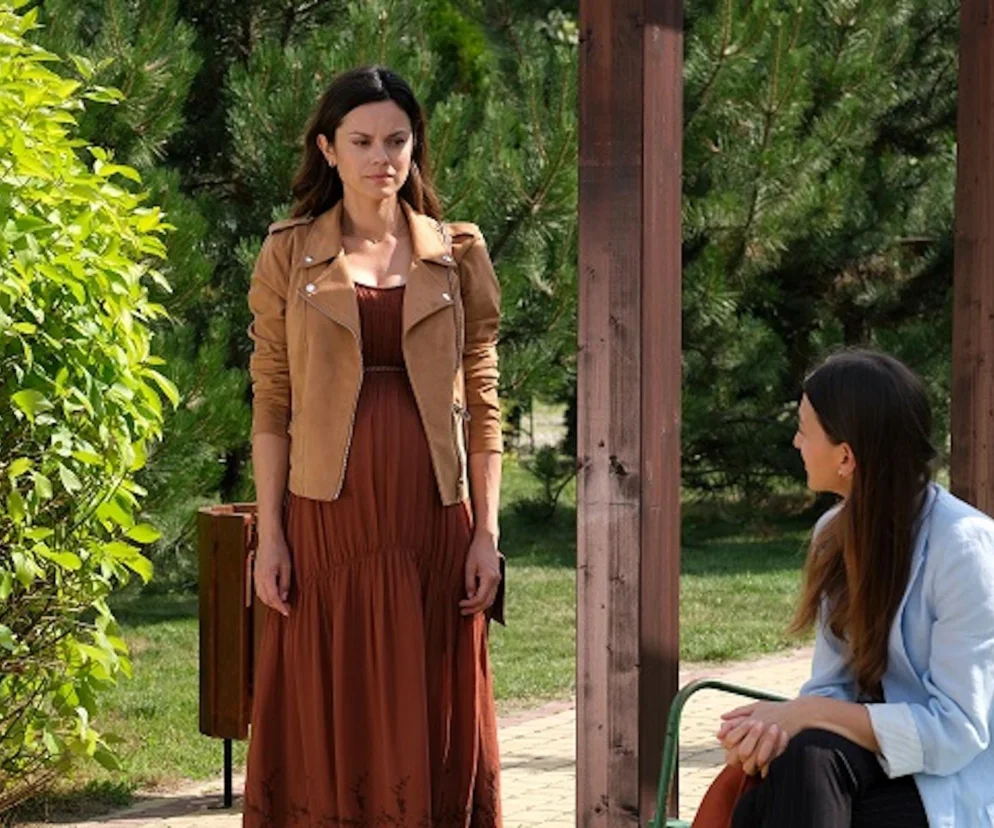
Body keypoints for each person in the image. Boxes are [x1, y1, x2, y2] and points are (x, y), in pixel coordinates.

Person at [242, 65, 504, 827]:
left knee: (430, 693)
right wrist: (271, 536)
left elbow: (483, 400)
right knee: (330, 694)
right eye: (360, 141)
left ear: (415, 146)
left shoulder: (457, 252)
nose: (380, 157)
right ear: (328, 149)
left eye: (396, 140)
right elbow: (272, 401)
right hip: (328, 517)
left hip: (432, 517)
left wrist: (486, 534)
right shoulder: (290, 252)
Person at [717, 350, 994, 827]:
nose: (796, 441)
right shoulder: (833, 534)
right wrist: (768, 732)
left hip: (955, 781)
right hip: (870, 762)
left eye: (804, 430)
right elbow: (831, 688)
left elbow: (957, 732)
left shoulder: (965, 546)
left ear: (845, 456)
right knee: (799, 760)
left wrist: (807, 711)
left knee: (771, 803)